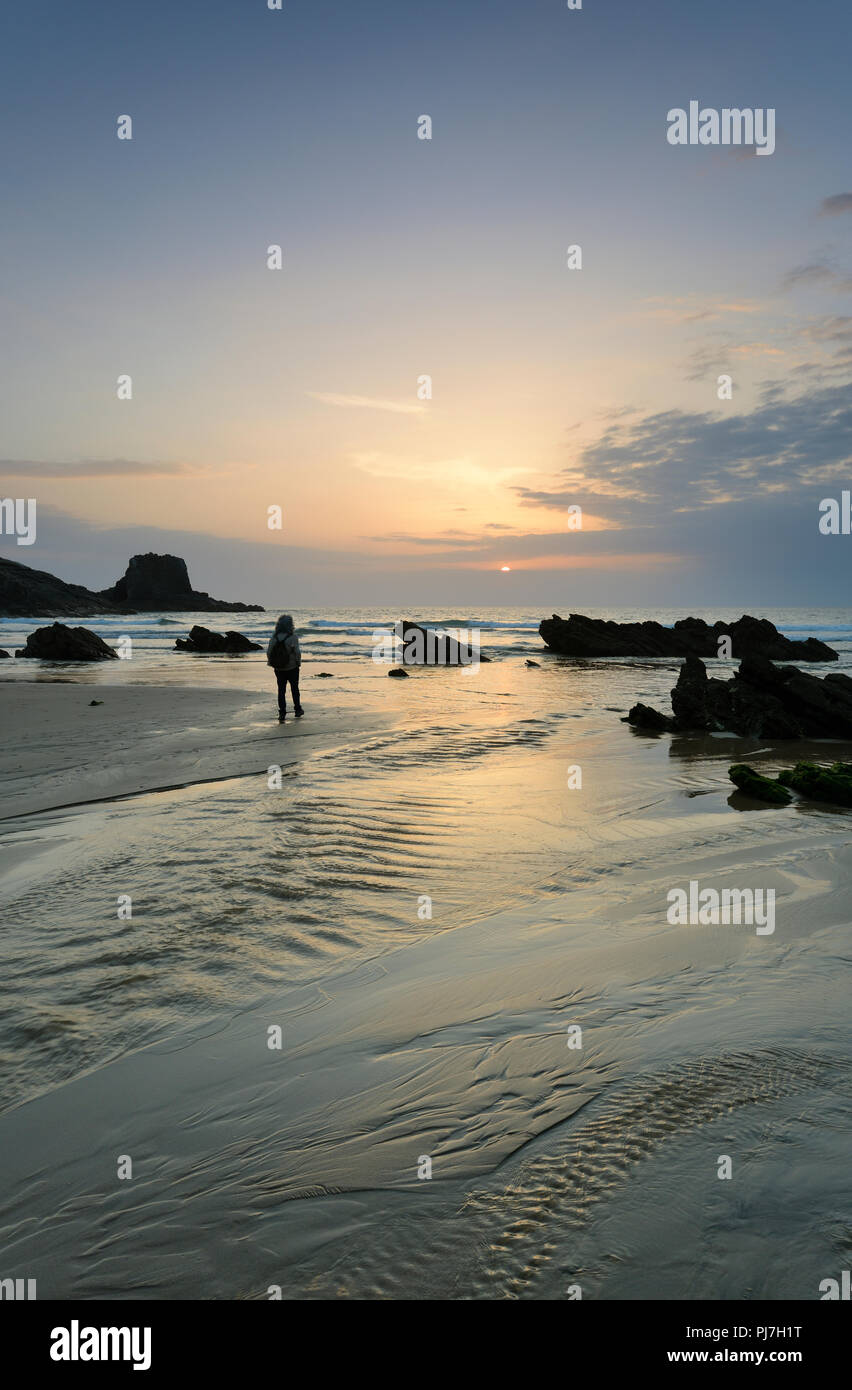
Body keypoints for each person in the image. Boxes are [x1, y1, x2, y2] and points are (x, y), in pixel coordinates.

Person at [267, 614, 303, 722]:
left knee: (281, 690)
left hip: (279, 668)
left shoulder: (274, 637)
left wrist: (273, 663)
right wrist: (298, 663)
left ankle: (282, 712)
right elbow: (297, 652)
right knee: (294, 689)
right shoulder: (293, 637)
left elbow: (269, 652)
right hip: (292, 667)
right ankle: (297, 710)